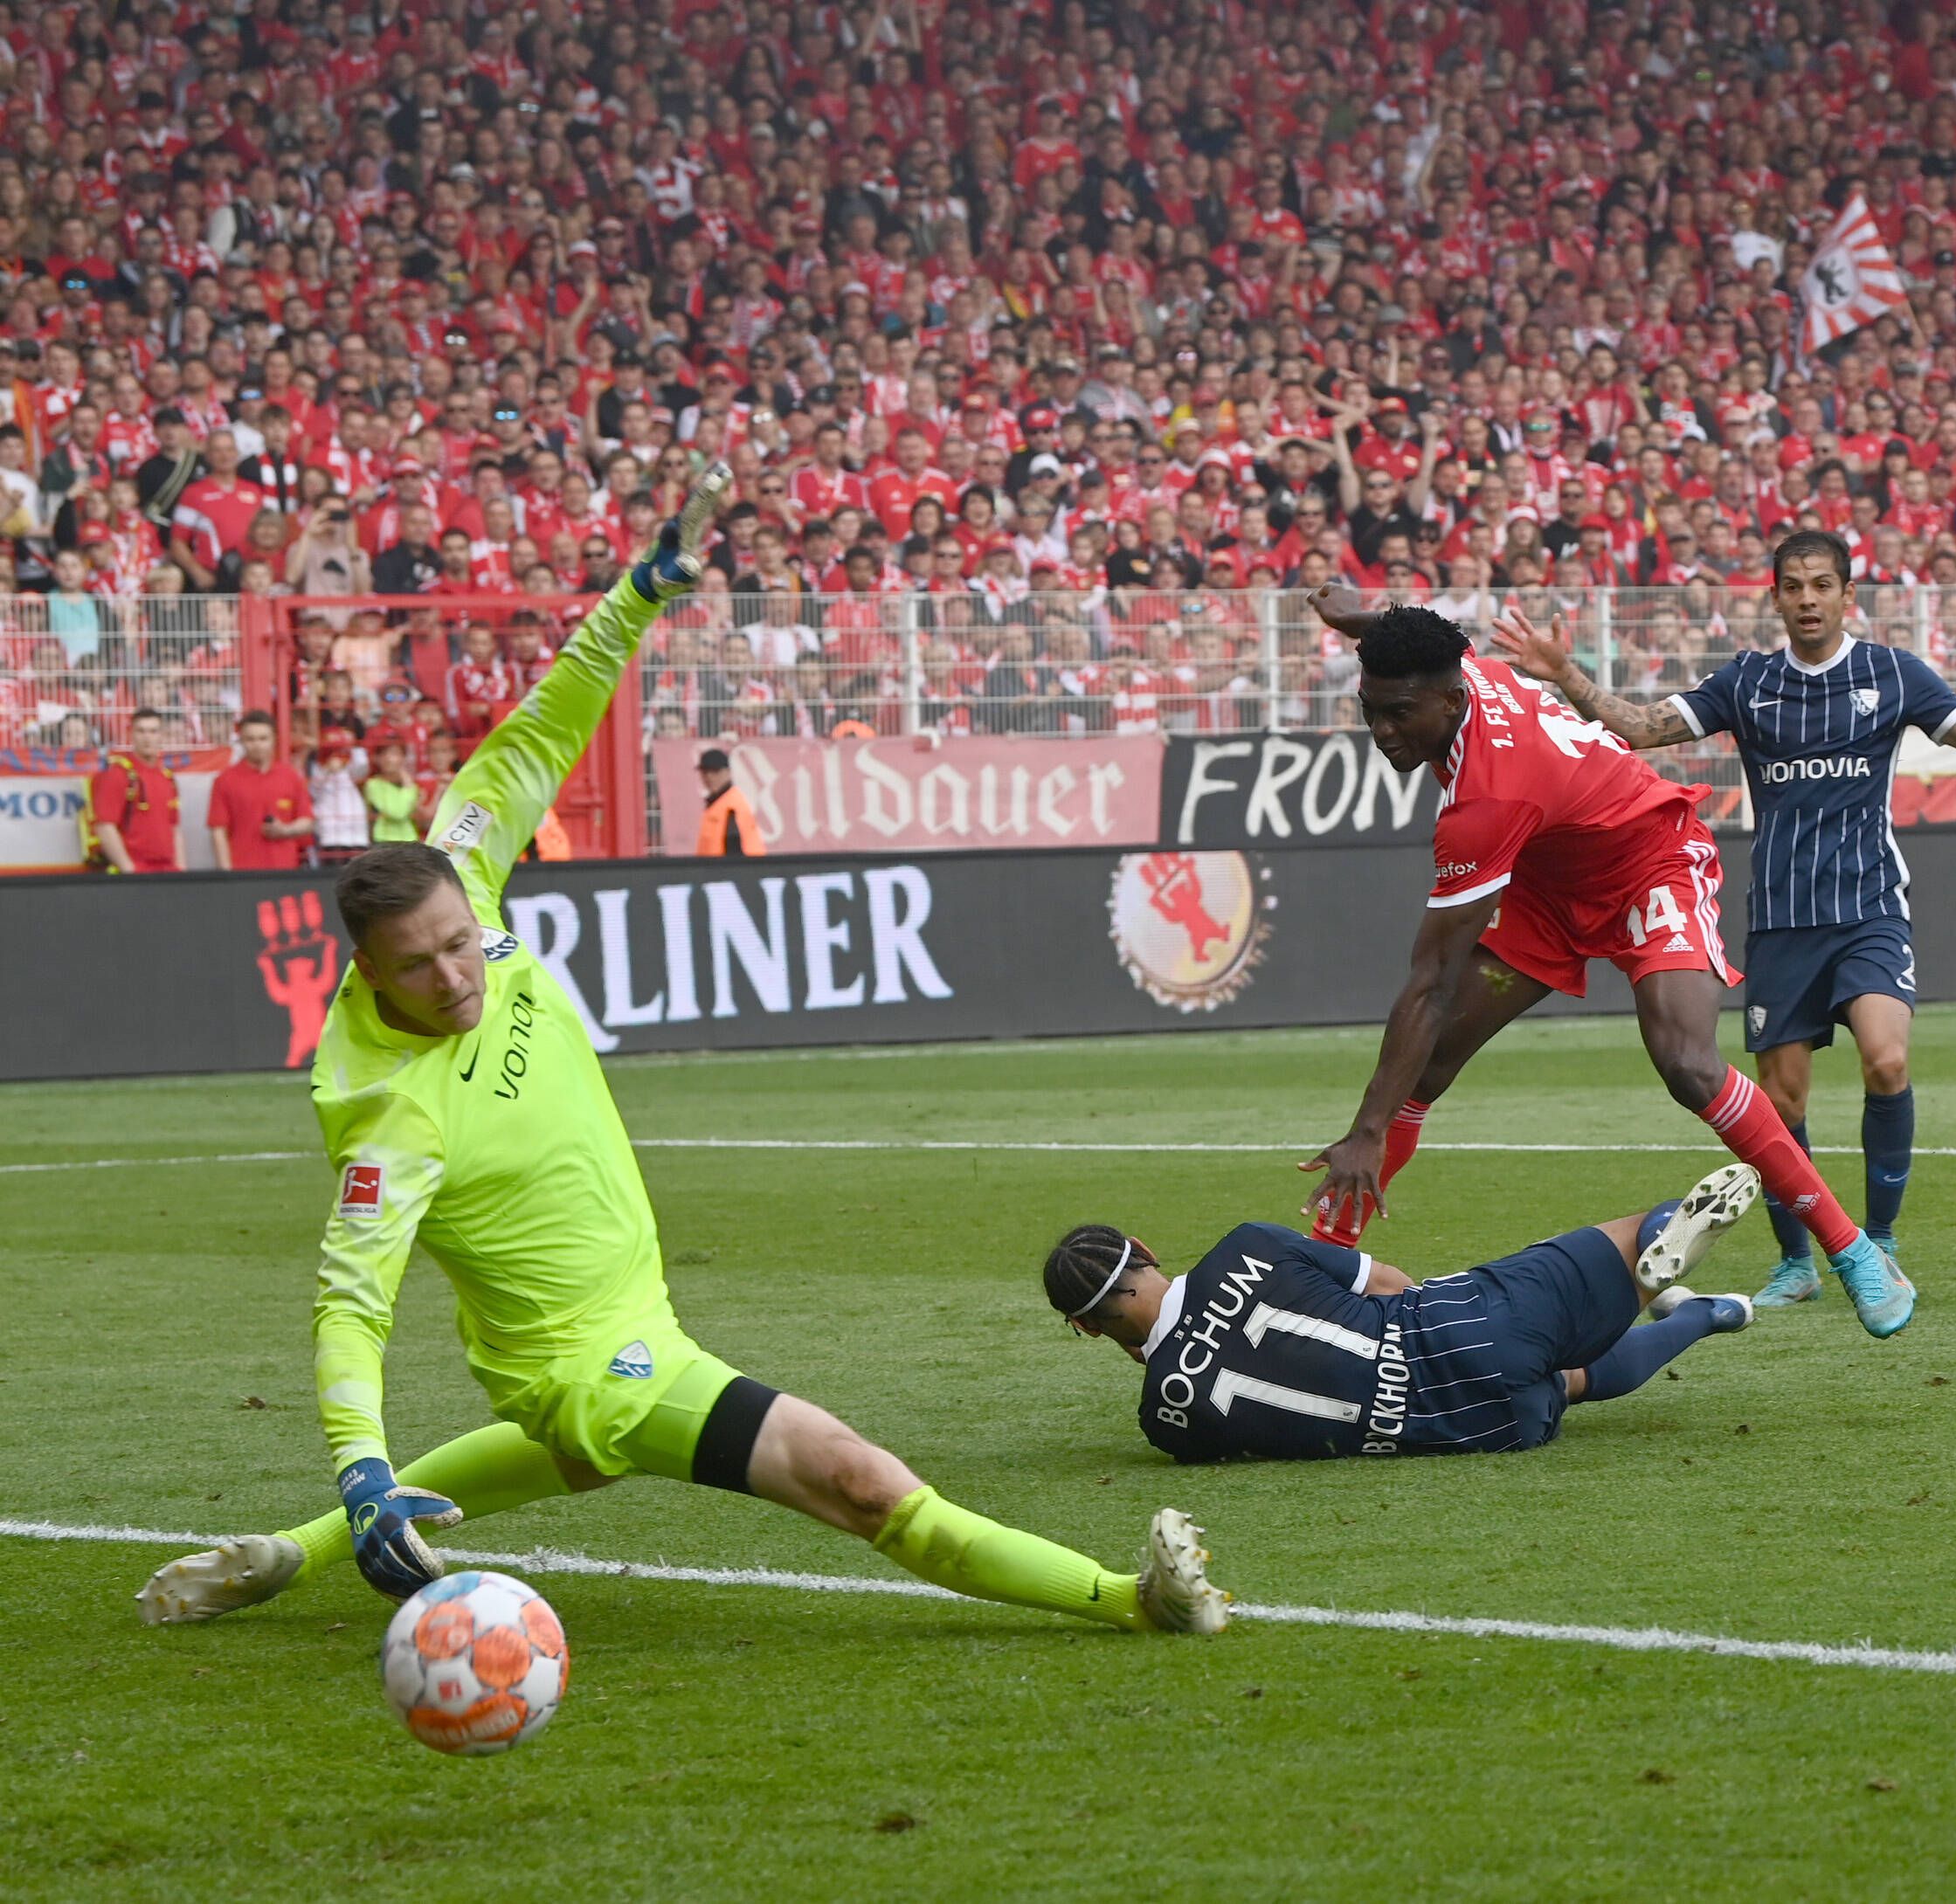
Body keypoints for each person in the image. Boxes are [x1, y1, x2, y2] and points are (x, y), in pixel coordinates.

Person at [138, 464, 1227, 1638]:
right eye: (421, 967)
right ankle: (1133, 1602)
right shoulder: (385, 1109)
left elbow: (549, 721)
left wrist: (642, 593)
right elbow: (350, 1305)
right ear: (367, 968)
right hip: (596, 1367)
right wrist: (360, 1465)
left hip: (608, 1338)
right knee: (860, 1481)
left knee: (582, 1458)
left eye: (464, 945)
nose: (457, 977)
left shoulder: (462, 859)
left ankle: (285, 1558)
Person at [1491, 531, 1956, 1315]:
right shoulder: (1748, 683)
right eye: (1793, 587)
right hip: (1784, 921)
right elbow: (1642, 727)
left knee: (1887, 1061)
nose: (1809, 600)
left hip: (1869, 908)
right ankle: (1799, 1261)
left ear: (1847, 595)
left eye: (1823, 585)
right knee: (1781, 1107)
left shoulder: (1890, 674)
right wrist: (1568, 678)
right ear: (1777, 599)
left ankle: (1880, 1242)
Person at [1291, 581, 1913, 1337]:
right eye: (1371, 711)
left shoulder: (1486, 805)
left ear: (1452, 701)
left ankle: (1852, 1251)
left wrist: (1364, 1131)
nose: (1383, 732)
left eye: (1398, 716)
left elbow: (1429, 984)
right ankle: (1314, 1268)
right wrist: (1358, 616)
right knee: (1424, 1071)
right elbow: (1415, 634)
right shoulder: (1454, 667)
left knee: (1687, 1063)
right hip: (1551, 886)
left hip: (1649, 859)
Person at [1049, 1163, 1763, 1462]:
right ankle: (1666, 1275)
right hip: (1461, 1325)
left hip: (1472, 1427)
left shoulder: (1166, 1418)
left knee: (1570, 1382)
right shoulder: (1248, 1245)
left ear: (1085, 1325)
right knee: (1642, 1233)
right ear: (1142, 1248)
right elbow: (1387, 1282)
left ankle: (1708, 1315)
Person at [208, 710, 315, 870]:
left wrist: (285, 830)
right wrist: (227, 874)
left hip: (285, 871)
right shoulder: (225, 780)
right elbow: (218, 831)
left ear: (274, 740)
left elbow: (307, 821)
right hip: (243, 873)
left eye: (263, 738)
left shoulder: (290, 776)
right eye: (250, 739)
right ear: (241, 741)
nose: (257, 745)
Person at [87, 707, 183, 874]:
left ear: (162, 735)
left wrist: (181, 869)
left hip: (168, 872)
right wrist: (129, 870)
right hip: (135, 873)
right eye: (141, 731)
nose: (147, 738)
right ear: (131, 734)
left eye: (153, 731)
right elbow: (105, 826)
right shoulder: (118, 774)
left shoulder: (167, 777)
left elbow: (174, 827)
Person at [694, 747, 760, 857]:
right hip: (715, 870)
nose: (709, 777)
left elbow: (735, 851)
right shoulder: (720, 803)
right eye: (705, 772)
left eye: (715, 771)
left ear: (728, 772)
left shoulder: (732, 806)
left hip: (728, 871)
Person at [362, 738, 422, 844]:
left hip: (410, 840)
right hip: (384, 841)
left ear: (403, 758)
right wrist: (408, 786)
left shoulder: (411, 784)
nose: (388, 758)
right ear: (377, 758)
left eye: (394, 754)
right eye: (384, 754)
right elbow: (398, 812)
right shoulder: (373, 785)